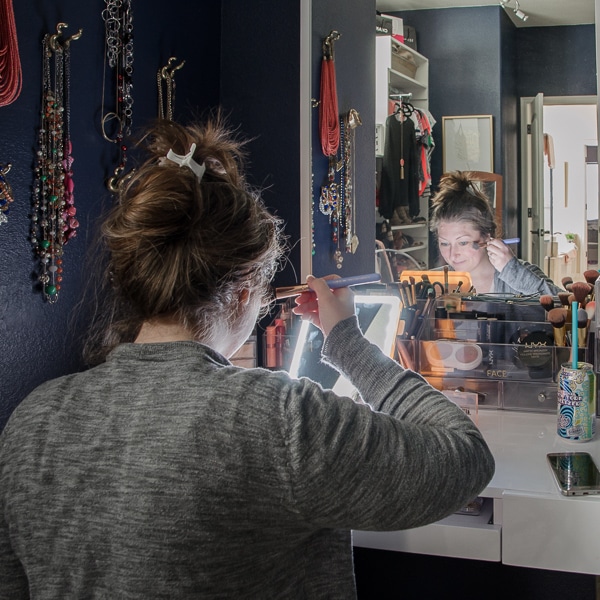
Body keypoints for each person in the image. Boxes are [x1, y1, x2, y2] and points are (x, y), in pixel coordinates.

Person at [0, 117, 494, 599]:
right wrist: (346, 342)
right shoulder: (277, 420)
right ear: (242, 294)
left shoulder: (34, 419)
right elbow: (464, 456)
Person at [429, 170, 562, 296]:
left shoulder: (519, 274)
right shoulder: (430, 283)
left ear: (486, 236)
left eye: (463, 242)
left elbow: (567, 308)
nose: (453, 255)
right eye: (445, 244)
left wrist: (512, 272)